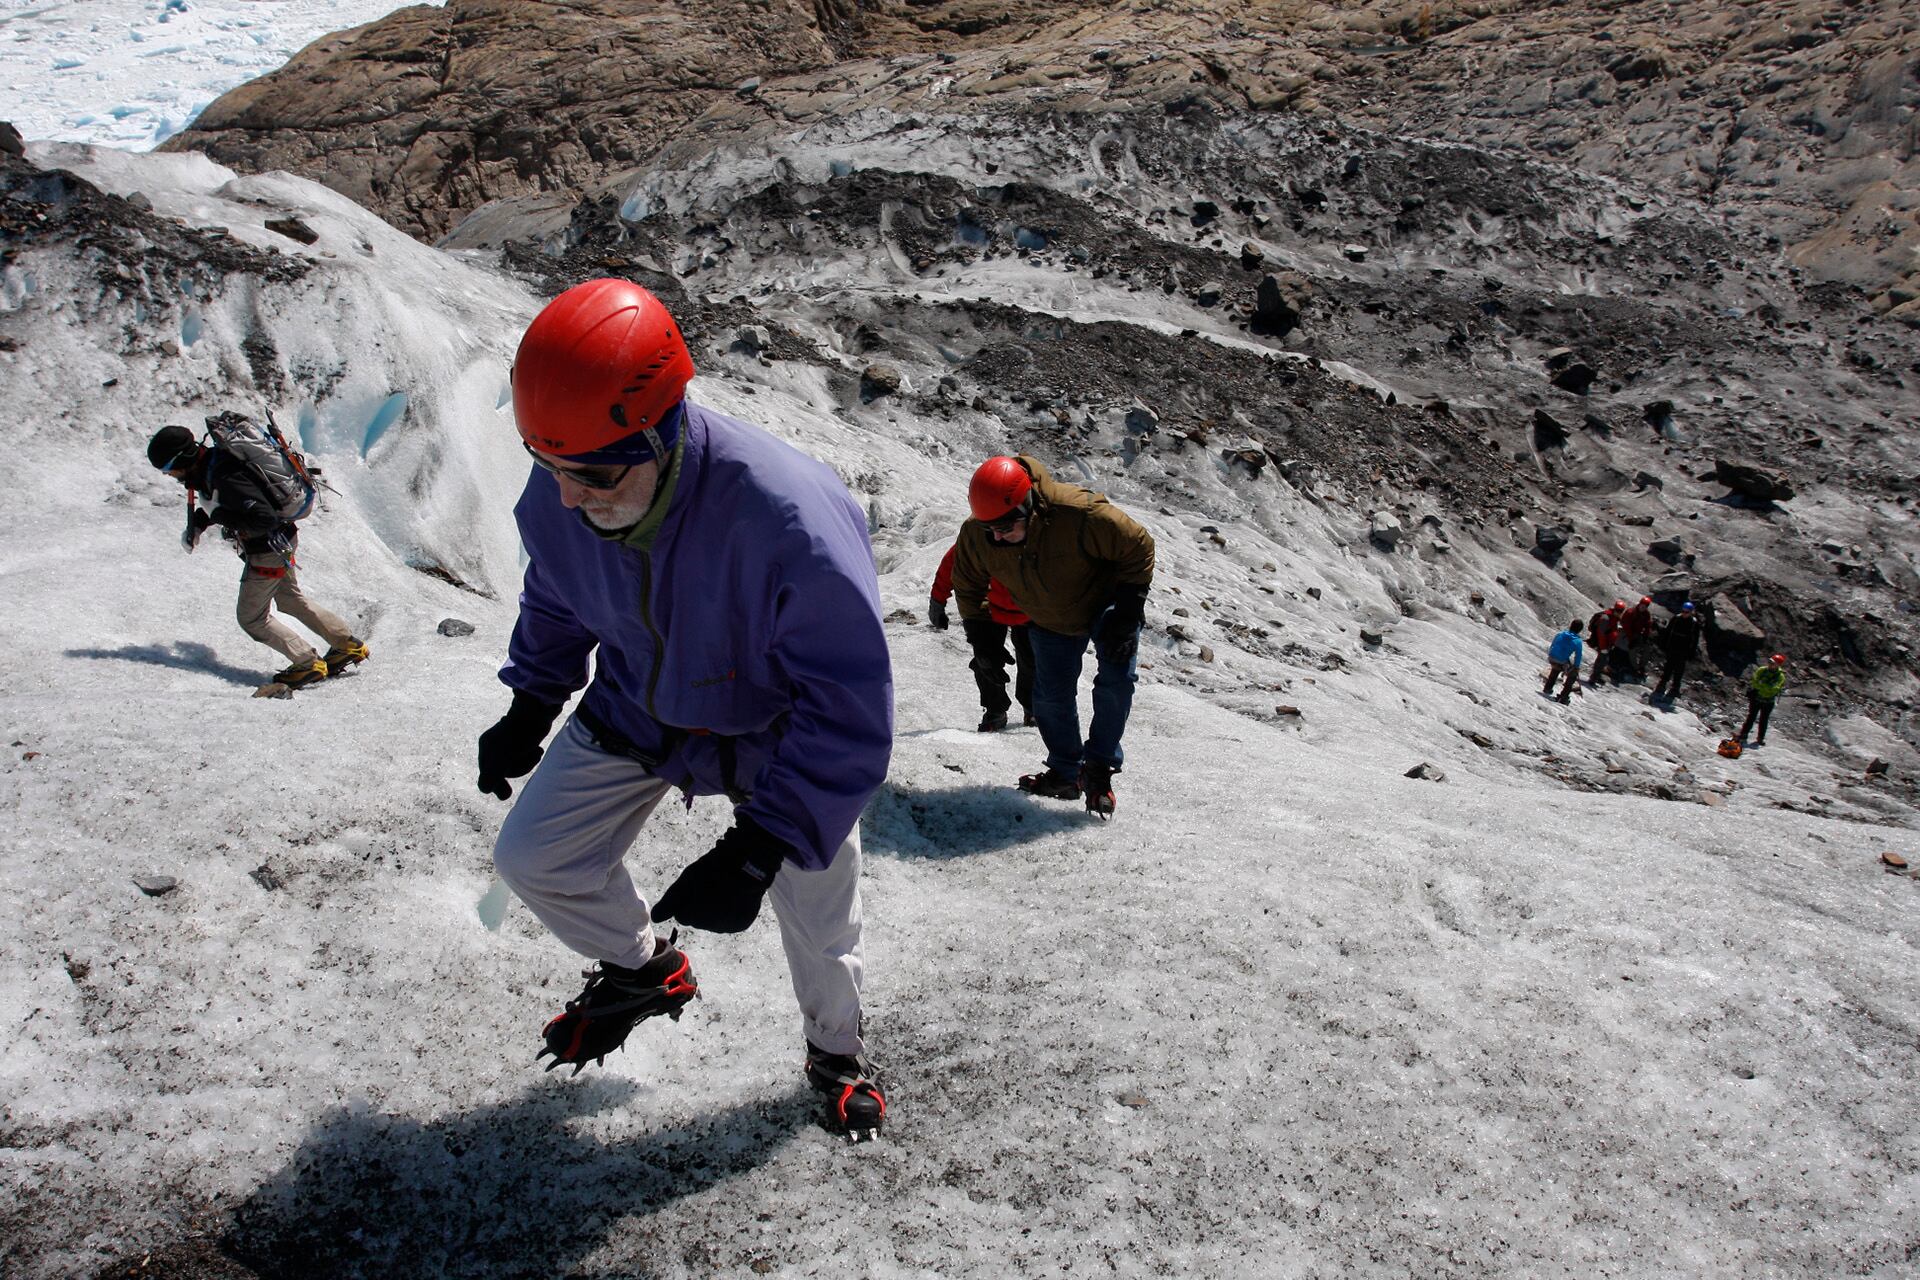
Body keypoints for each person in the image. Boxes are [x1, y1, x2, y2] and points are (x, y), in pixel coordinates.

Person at [476, 279, 892, 1137]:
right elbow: (556, 592)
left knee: (819, 913)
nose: (564, 495)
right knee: (534, 856)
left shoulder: (789, 523)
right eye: (546, 466)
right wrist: (531, 699)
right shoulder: (573, 474)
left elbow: (848, 707)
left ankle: (837, 1050)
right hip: (642, 702)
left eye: (588, 472)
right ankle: (643, 971)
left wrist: (760, 844)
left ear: (659, 429)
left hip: (778, 731)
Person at [949, 455, 1154, 818]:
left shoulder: (1079, 514)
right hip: (1048, 615)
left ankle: (1099, 770)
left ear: (1028, 505)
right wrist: (983, 639)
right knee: (1050, 697)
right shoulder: (979, 533)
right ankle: (1064, 773)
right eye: (990, 529)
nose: (998, 536)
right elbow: (967, 584)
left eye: (1006, 526)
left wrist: (1128, 611)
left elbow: (1137, 545)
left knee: (1116, 681)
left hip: (1106, 604)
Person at [146, 423, 367, 687]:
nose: (170, 475)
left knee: (251, 618)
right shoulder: (216, 464)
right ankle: (347, 645)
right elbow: (226, 503)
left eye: (168, 469)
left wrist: (218, 515)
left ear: (182, 460)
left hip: (267, 552)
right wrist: (200, 524)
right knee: (291, 600)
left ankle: (307, 663)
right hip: (283, 541)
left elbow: (262, 518)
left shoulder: (224, 475)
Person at [928, 541, 1034, 732]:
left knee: (1032, 656)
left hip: (1027, 603)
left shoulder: (1037, 530)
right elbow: (952, 562)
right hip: (987, 604)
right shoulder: (978, 533)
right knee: (986, 659)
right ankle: (996, 709)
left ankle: (1033, 706)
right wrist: (937, 599)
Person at [1650, 601, 1702, 703]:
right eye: (1683, 611)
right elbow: (1668, 631)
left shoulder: (1694, 624)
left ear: (1691, 612)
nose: (1684, 613)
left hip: (1684, 650)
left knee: (1679, 670)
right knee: (1668, 666)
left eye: (1686, 612)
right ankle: (1662, 684)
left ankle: (1675, 688)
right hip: (1673, 647)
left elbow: (1695, 640)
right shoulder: (1676, 619)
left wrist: (1691, 653)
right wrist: (1664, 644)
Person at [1738, 653, 1788, 746]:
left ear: (1778, 665)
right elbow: (1754, 682)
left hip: (1768, 701)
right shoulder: (1761, 670)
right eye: (1769, 662)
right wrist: (1767, 686)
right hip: (1757, 698)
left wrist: (1762, 685)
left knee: (1764, 720)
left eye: (1772, 663)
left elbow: (1775, 689)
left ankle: (1760, 738)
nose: (1770, 664)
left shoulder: (1780, 676)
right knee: (1751, 717)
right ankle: (1743, 735)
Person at [1543, 618, 1584, 703]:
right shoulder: (1578, 641)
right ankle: (1564, 696)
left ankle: (1547, 688)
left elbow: (1553, 644)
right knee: (1572, 674)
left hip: (1551, 657)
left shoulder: (1560, 634)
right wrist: (1576, 667)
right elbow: (1578, 656)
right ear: (1580, 630)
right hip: (1561, 660)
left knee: (1556, 669)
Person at [1586, 600, 1625, 686]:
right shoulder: (1606, 618)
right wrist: (1603, 647)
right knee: (1602, 660)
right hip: (1603, 644)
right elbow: (1601, 634)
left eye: (1621, 611)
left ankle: (1596, 676)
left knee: (1603, 660)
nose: (1619, 613)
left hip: (1608, 643)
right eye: (1618, 611)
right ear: (1615, 609)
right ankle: (1593, 678)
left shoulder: (1614, 617)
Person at [1619, 595, 1655, 680]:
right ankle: (1635, 668)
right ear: (1639, 604)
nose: (1643, 607)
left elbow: (1647, 626)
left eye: (1645, 606)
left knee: (1647, 648)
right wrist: (1631, 639)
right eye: (1642, 605)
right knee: (1632, 649)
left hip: (1637, 634)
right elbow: (1627, 627)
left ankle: (1642, 666)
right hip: (1627, 633)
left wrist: (1646, 637)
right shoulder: (1631, 612)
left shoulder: (1646, 614)